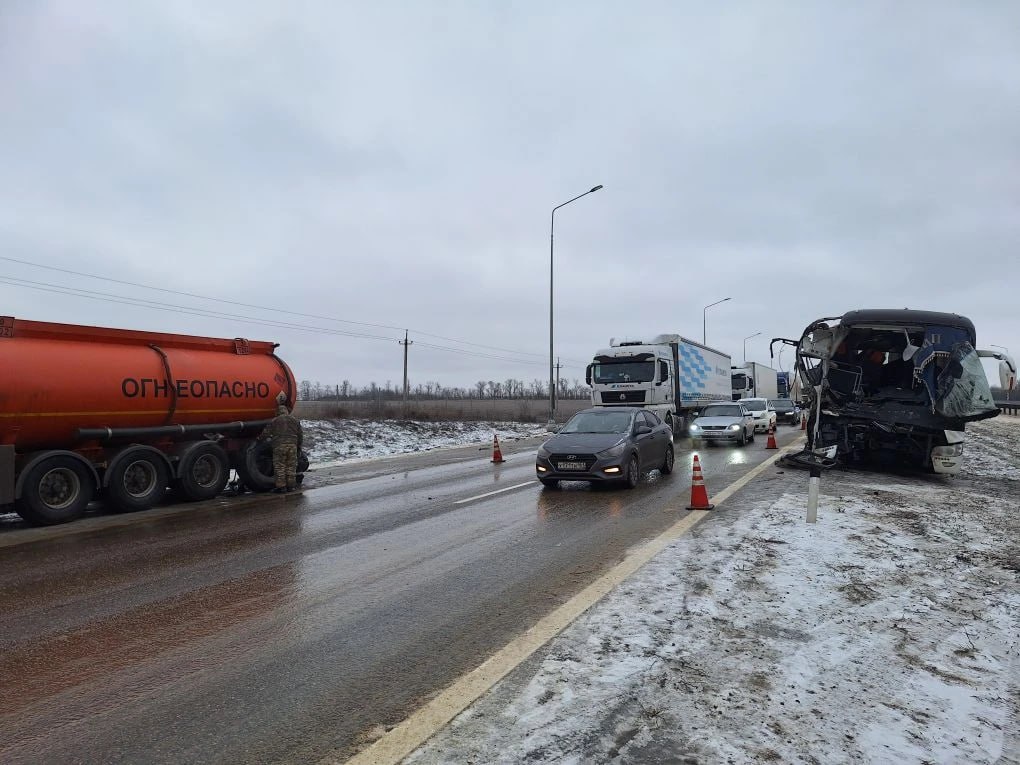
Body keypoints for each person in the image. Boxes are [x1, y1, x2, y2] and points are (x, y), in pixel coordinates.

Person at [266, 395, 303, 493]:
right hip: (292, 446)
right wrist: (299, 446)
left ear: (278, 412)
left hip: (279, 446)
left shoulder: (275, 420)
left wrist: (259, 439)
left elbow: (266, 432)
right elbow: (300, 435)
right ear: (286, 411)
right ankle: (291, 486)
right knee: (291, 466)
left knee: (280, 466)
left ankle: (281, 487)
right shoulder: (295, 420)